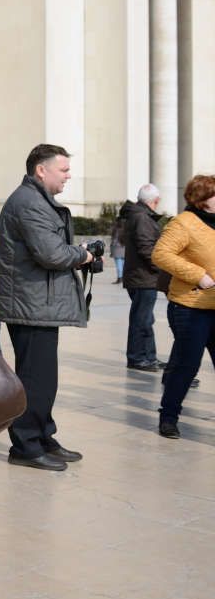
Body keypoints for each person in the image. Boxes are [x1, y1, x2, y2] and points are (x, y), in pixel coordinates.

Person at [0, 144, 92, 472]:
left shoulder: (37, 200)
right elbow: (51, 254)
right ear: (41, 170)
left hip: (38, 303)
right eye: (63, 170)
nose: (68, 176)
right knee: (35, 380)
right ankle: (25, 444)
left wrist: (74, 251)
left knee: (44, 379)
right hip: (29, 303)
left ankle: (43, 436)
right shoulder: (29, 202)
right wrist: (83, 255)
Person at [153, 175, 215, 439]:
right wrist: (198, 275)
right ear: (202, 200)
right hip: (190, 307)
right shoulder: (183, 223)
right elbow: (161, 254)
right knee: (187, 365)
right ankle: (169, 416)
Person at [119, 185, 163, 372]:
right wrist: (163, 267)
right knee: (141, 319)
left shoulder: (138, 215)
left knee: (145, 319)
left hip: (142, 277)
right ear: (154, 201)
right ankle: (138, 358)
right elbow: (147, 249)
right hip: (143, 278)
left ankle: (149, 356)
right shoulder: (142, 217)